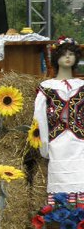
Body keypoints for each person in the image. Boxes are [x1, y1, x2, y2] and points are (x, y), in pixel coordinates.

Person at [33, 37, 84, 213]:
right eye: (64, 54)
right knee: (60, 174)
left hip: (80, 141)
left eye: (71, 54)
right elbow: (39, 117)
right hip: (57, 140)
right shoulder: (47, 87)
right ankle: (61, 214)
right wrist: (44, 144)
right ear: (56, 58)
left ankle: (80, 214)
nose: (68, 57)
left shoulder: (82, 85)